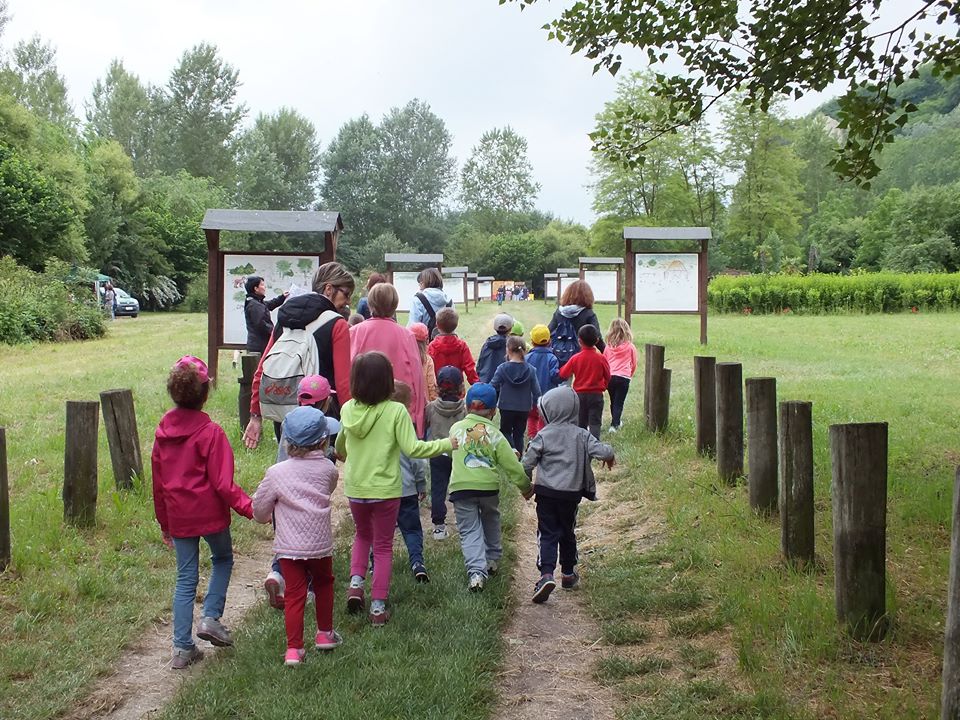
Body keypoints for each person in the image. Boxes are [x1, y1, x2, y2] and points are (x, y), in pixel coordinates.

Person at [335, 351, 454, 625]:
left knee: (362, 536)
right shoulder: (396, 411)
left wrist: (343, 452)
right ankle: (377, 607)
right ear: (388, 382)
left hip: (356, 487)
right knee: (383, 545)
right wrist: (448, 443)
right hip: (386, 490)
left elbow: (341, 446)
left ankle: (355, 585)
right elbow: (413, 448)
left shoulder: (348, 409)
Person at [152, 356, 253, 670]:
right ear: (206, 393)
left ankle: (182, 650)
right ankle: (210, 617)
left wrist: (165, 523)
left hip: (179, 516)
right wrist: (251, 507)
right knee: (222, 559)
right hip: (209, 514)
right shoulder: (212, 433)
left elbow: (157, 484)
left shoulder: (162, 434)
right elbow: (223, 484)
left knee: (185, 578)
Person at [252, 407, 341, 666]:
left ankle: (294, 649)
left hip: (289, 548)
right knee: (324, 584)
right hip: (320, 544)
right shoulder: (328, 470)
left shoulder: (276, 473)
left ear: (286, 441)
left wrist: (268, 513)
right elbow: (330, 487)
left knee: (294, 593)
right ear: (324, 441)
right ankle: (325, 634)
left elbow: (259, 510)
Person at [244, 262, 355, 449]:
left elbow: (262, 369)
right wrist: (351, 424)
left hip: (285, 410)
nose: (348, 301)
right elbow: (343, 383)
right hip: (323, 417)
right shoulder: (337, 324)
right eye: (346, 293)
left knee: (290, 469)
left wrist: (256, 416)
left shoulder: (285, 318)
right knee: (320, 474)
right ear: (329, 289)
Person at [522, 386, 615, 603]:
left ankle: (546, 574)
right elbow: (604, 451)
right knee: (567, 531)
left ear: (549, 411)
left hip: (546, 494)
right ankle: (568, 573)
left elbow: (527, 462)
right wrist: (609, 456)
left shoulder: (543, 435)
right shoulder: (582, 435)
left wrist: (526, 484)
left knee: (546, 532)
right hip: (570, 495)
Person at [263, 375, 342, 610]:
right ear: (326, 401)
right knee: (306, 547)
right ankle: (306, 590)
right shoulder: (322, 426)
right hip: (306, 498)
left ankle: (276, 574)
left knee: (287, 545)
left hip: (282, 493)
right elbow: (324, 468)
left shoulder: (290, 420)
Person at [448, 383, 532, 592]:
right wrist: (525, 486)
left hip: (461, 488)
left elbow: (452, 453)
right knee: (491, 519)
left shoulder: (456, 429)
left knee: (469, 530)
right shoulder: (495, 434)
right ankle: (492, 559)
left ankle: (476, 573)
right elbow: (512, 466)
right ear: (494, 411)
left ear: (466, 407)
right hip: (488, 487)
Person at [350, 283, 427, 436]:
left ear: (370, 304)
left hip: (362, 411)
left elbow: (348, 372)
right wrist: (419, 421)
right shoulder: (406, 336)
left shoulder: (354, 332)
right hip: (400, 411)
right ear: (395, 304)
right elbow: (417, 378)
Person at [391, 381, 430, 582]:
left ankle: (374, 562)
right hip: (406, 489)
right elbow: (417, 460)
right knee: (412, 528)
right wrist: (421, 484)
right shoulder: (405, 424)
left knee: (380, 531)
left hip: (384, 490)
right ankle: (417, 562)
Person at [425, 366, 466, 541]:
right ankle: (463, 520)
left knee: (438, 489)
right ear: (461, 388)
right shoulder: (464, 409)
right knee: (460, 487)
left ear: (437, 387)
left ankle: (439, 527)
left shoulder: (431, 408)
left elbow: (425, 426)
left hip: (437, 452)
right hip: (458, 453)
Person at [558, 325, 611, 440]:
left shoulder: (575, 358)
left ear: (579, 341)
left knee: (581, 422)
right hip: (596, 395)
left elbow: (563, 373)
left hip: (579, 395)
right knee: (595, 422)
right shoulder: (601, 358)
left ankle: (581, 445)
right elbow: (608, 375)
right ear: (597, 340)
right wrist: (604, 386)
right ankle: (595, 446)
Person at [491, 336, 541, 452]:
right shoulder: (531, 370)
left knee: (505, 431)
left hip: (506, 406)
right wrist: (539, 406)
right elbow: (537, 392)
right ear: (523, 350)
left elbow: (492, 386)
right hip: (523, 407)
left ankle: (511, 452)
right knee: (519, 434)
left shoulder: (502, 368)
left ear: (508, 350)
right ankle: (518, 459)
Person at [549, 280, 606, 358]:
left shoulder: (559, 312)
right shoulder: (588, 314)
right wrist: (607, 353)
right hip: (580, 357)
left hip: (559, 354)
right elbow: (597, 338)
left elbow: (548, 331)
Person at [525, 324, 561, 438]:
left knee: (531, 417)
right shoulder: (552, 358)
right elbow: (555, 376)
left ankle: (532, 437)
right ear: (550, 341)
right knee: (543, 417)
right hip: (547, 397)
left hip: (530, 396)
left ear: (532, 342)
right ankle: (542, 438)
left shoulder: (527, 358)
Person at [427, 307, 479, 385]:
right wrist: (476, 384)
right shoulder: (462, 346)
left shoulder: (432, 346)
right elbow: (470, 368)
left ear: (437, 325)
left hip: (438, 388)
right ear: (456, 325)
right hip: (457, 389)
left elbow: (428, 368)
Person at [603, 318, 638, 433]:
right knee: (619, 401)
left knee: (613, 400)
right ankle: (615, 424)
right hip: (623, 377)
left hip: (610, 377)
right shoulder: (630, 346)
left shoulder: (608, 347)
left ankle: (615, 421)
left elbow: (604, 362)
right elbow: (634, 363)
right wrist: (630, 374)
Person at [243, 275, 287, 355]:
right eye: (262, 285)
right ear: (256, 288)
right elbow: (261, 324)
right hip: (259, 346)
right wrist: (275, 332)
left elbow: (269, 304)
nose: (264, 287)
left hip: (258, 344)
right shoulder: (255, 305)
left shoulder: (256, 302)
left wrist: (282, 297)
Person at [408, 267, 452, 334]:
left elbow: (412, 327)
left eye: (419, 283)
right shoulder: (449, 301)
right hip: (446, 343)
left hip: (425, 343)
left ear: (422, 283)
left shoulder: (418, 300)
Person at [476, 313, 514, 383]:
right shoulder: (512, 345)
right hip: (503, 385)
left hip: (486, 383)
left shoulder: (487, 344)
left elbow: (479, 365)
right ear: (511, 328)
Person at [409, 323, 439, 403]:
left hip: (408, 404)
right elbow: (432, 386)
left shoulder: (405, 358)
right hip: (424, 404)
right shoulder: (427, 360)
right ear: (427, 340)